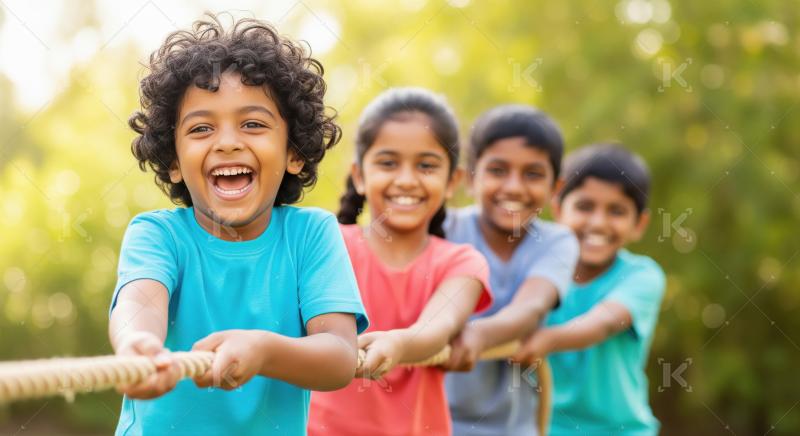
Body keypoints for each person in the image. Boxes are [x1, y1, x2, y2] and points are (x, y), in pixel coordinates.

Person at [108, 14, 368, 436]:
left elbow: (339, 356)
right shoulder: (158, 235)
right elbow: (139, 304)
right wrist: (137, 345)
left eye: (253, 124)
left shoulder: (312, 235)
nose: (227, 141)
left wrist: (264, 351)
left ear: (294, 153)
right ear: (174, 162)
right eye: (201, 128)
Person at [308, 87, 493, 436]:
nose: (406, 180)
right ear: (360, 175)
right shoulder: (328, 244)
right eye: (388, 163)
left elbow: (438, 327)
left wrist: (398, 344)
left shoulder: (461, 263)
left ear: (452, 180)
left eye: (426, 165)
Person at [442, 104, 579, 435]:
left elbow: (531, 306)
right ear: (471, 179)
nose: (514, 187)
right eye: (498, 170)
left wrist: (478, 335)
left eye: (533, 174)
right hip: (433, 422)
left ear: (555, 188)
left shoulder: (557, 242)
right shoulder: (445, 229)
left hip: (513, 428)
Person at [515, 143, 666, 435]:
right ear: (558, 208)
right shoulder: (535, 272)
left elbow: (605, 322)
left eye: (617, 211)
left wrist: (546, 340)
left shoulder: (642, 276)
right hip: (543, 428)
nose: (598, 222)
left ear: (639, 224)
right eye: (584, 207)